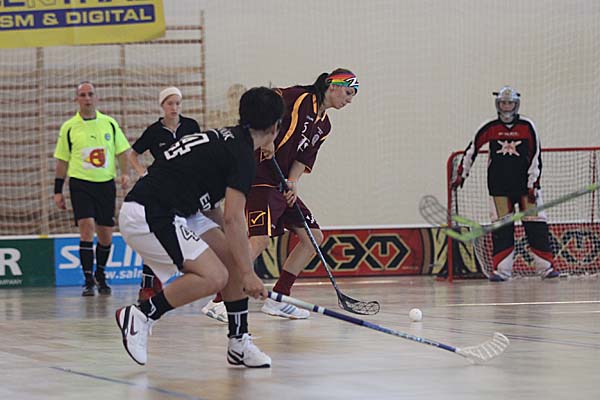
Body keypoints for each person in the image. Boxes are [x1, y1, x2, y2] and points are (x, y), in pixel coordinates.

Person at [115, 86, 284, 368]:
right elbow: (233, 218)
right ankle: (141, 315)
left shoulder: (228, 139)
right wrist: (248, 274)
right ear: (275, 128)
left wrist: (240, 264)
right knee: (215, 276)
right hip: (149, 212)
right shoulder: (242, 156)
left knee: (232, 259)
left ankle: (239, 342)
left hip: (182, 210)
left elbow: (212, 209)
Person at [201, 68, 359, 321]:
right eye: (348, 93)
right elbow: (267, 102)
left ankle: (278, 298)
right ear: (333, 86)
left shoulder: (325, 126)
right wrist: (267, 138)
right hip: (259, 176)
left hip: (281, 183)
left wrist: (292, 182)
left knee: (312, 238)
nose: (349, 100)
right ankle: (219, 300)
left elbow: (303, 158)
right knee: (260, 239)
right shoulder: (300, 97)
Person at [451, 85, 560, 282]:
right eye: (503, 103)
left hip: (527, 189)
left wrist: (533, 183)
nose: (506, 107)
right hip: (499, 189)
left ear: (516, 105)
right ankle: (502, 271)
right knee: (502, 229)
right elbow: (472, 150)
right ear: (497, 105)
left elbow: (536, 156)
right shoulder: (489, 127)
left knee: (536, 227)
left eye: (510, 103)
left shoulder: (527, 126)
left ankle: (546, 268)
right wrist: (462, 174)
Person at [53, 81, 131, 296]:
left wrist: (125, 173)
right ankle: (88, 280)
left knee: (106, 234)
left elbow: (122, 152)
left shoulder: (109, 123)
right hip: (80, 183)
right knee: (86, 228)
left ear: (97, 98)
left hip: (105, 184)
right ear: (76, 99)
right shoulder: (69, 127)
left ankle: (101, 274)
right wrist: (58, 190)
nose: (87, 98)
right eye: (83, 95)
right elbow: (62, 161)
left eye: (90, 94)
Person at [128, 86, 202, 302]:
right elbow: (133, 154)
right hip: (161, 189)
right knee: (159, 234)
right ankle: (148, 284)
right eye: (170, 103)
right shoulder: (154, 131)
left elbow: (201, 152)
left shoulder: (191, 126)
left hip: (187, 189)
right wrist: (142, 172)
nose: (174, 107)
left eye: (177, 103)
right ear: (162, 105)